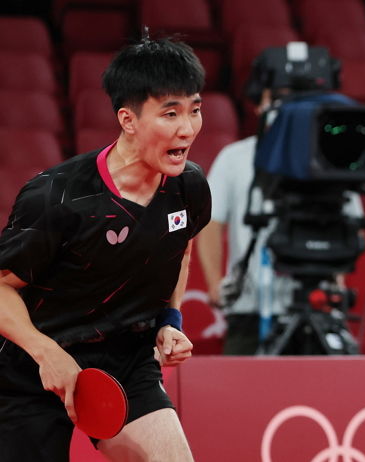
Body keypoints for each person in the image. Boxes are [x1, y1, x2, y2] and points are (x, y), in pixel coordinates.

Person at [0, 35, 210, 462]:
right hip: (31, 367)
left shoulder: (189, 187)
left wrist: (169, 320)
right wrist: (48, 353)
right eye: (170, 113)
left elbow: (180, 251)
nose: (187, 128)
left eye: (195, 110)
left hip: (125, 357)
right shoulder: (57, 197)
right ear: (128, 120)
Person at [196, 42, 365, 355]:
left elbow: (352, 223)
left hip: (321, 307)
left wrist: (337, 279)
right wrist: (214, 283)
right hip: (251, 307)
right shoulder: (235, 157)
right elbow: (210, 221)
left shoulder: (334, 160)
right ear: (259, 103)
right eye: (280, 96)